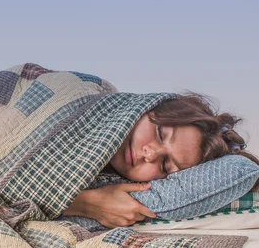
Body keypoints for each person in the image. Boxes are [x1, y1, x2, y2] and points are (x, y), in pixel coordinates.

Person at [62, 91, 259, 228]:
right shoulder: (81, 103)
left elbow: (238, 168)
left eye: (165, 165)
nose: (150, 154)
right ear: (150, 108)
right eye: (160, 133)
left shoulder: (115, 184)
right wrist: (85, 203)